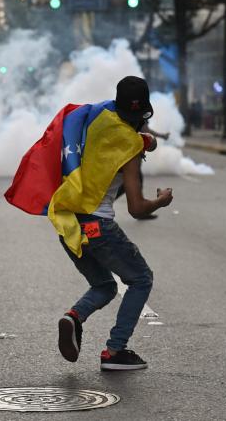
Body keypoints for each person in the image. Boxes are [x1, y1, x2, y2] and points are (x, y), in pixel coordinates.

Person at [57, 76, 174, 370]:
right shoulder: (130, 147)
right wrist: (161, 200)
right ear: (144, 112)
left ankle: (73, 318)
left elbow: (142, 137)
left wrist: (148, 141)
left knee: (105, 286)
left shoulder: (94, 119)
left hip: (69, 223)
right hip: (99, 226)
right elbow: (136, 208)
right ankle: (115, 350)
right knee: (141, 279)